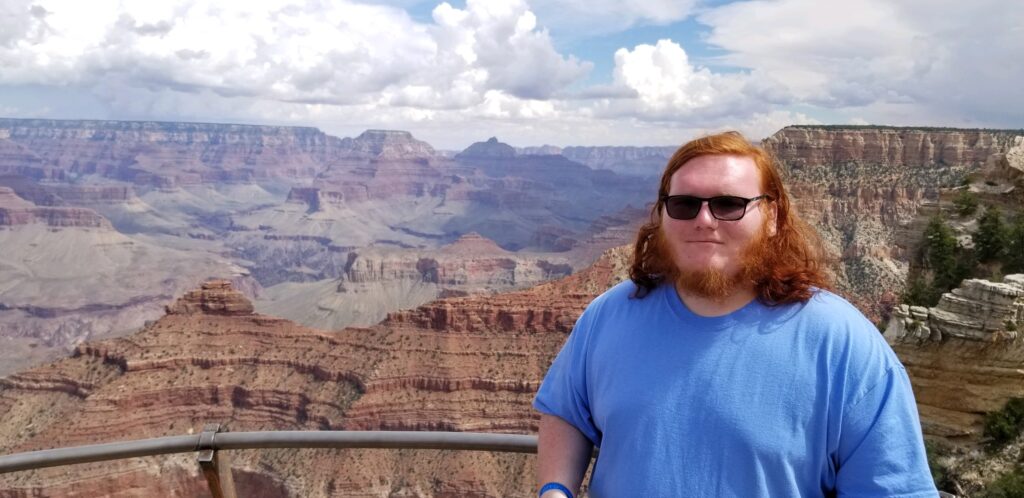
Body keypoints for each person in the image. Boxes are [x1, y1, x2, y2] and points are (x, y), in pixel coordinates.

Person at [533, 131, 937, 497]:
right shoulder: (610, 315)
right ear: (662, 215)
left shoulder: (842, 342)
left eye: (729, 204)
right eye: (684, 204)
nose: (704, 220)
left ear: (774, 218)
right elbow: (566, 412)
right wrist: (555, 489)